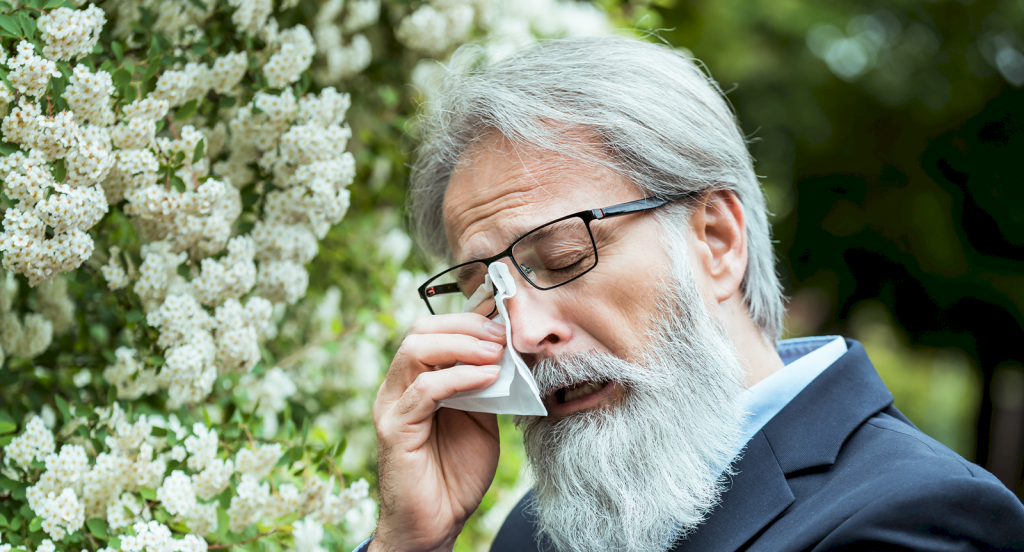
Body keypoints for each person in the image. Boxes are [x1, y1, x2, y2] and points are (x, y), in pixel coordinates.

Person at [357, 36, 1024, 552]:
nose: (524, 334)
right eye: (486, 290)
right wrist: (407, 542)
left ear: (716, 241)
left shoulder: (924, 517)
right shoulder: (535, 532)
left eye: (560, 257)